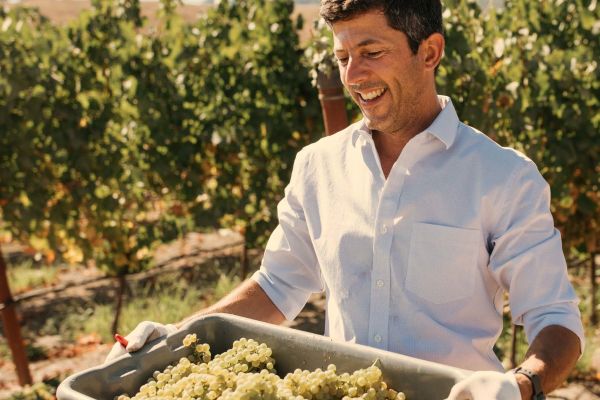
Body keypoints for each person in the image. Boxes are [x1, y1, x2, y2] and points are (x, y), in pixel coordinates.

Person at [106, 1, 585, 398]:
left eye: (371, 52)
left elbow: (556, 321)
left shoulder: (503, 177)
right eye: (342, 58)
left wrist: (519, 386)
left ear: (431, 52)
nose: (353, 76)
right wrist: (177, 336)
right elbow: (277, 286)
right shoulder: (317, 166)